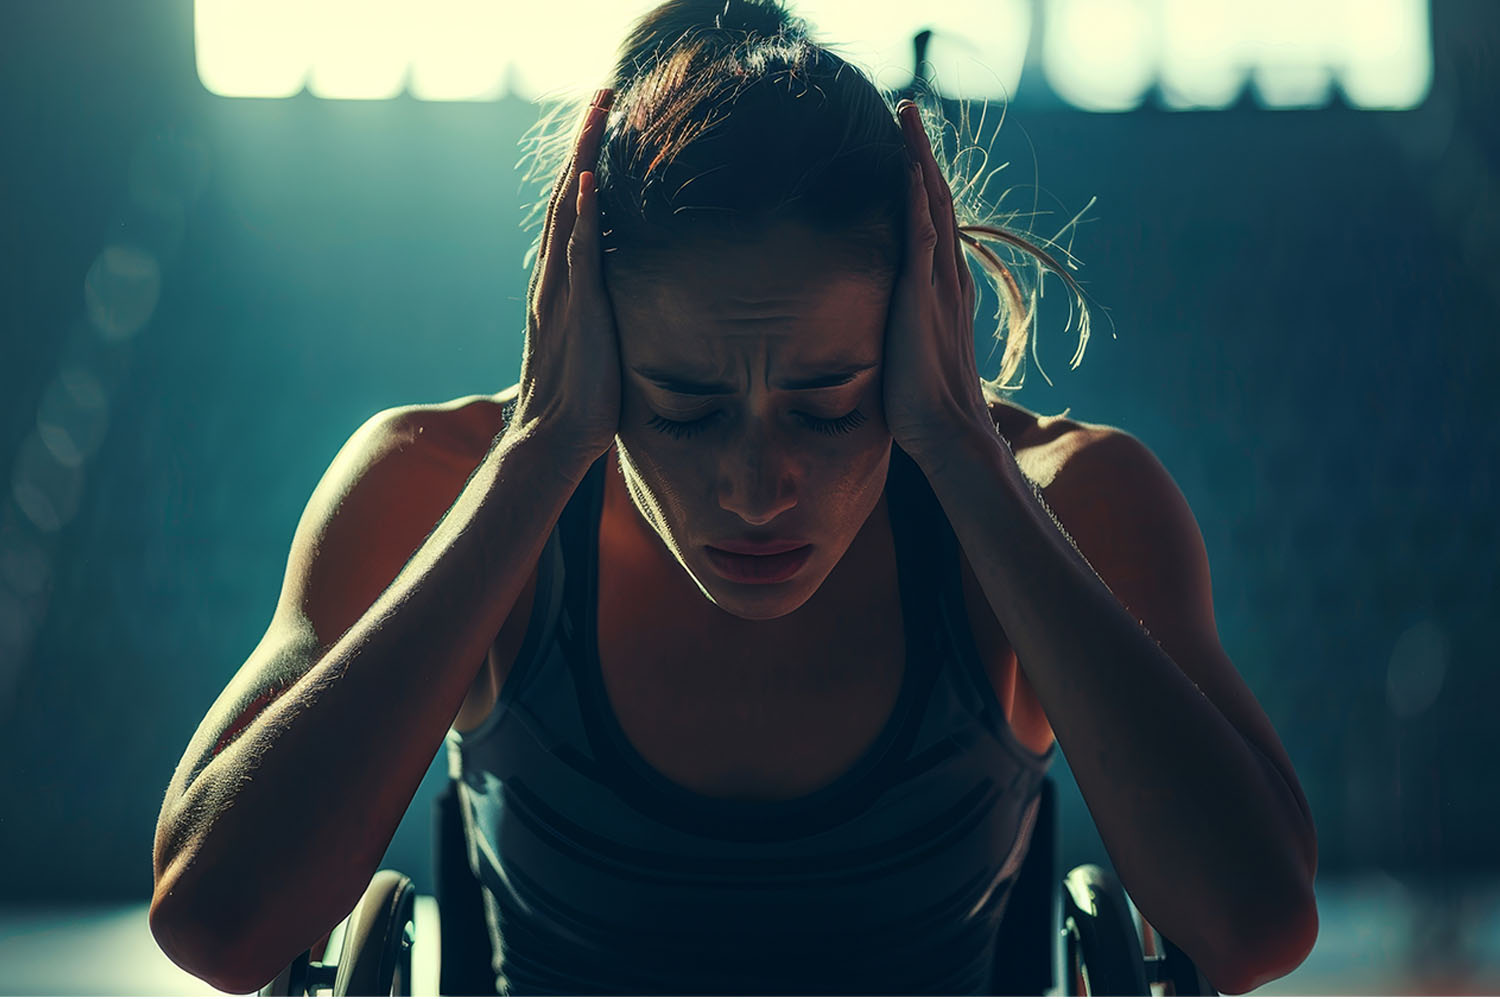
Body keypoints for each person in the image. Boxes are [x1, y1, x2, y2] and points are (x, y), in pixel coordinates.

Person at [148, 1, 1319, 994]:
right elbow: (217, 921)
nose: (758, 487)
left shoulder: (1066, 499)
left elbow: (1254, 926)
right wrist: (542, 452)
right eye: (683, 407)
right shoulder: (437, 487)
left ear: (921, 337)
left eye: (828, 403)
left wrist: (962, 453)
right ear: (588, 335)